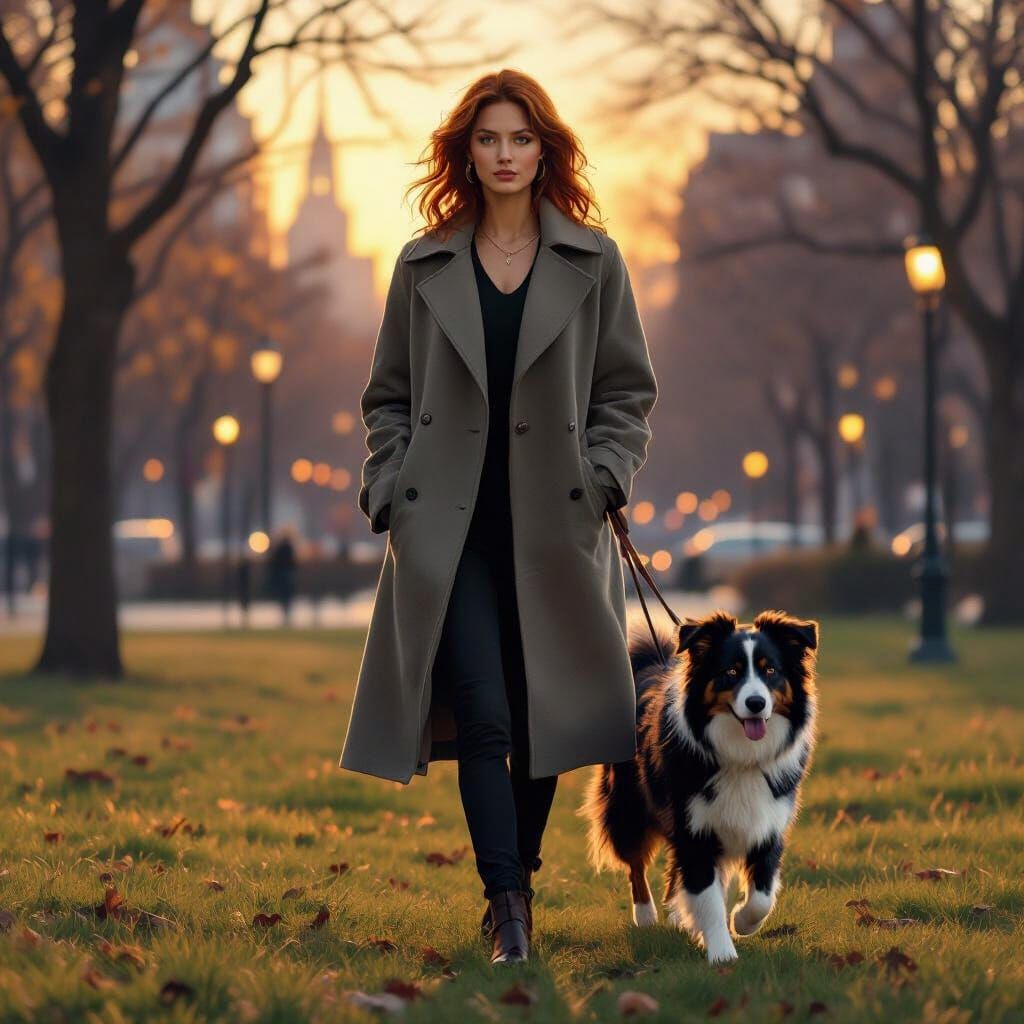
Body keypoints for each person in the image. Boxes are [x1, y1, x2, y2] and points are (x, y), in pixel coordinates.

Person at [341, 69, 658, 966]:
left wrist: (604, 475)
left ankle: (520, 877)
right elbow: (388, 398)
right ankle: (508, 907)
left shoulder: (595, 260)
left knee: (542, 718)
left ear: (544, 150)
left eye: (521, 139)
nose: (506, 154)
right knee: (482, 715)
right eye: (489, 139)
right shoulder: (422, 262)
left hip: (556, 528)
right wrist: (387, 487)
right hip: (452, 531)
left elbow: (626, 391)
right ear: (466, 153)